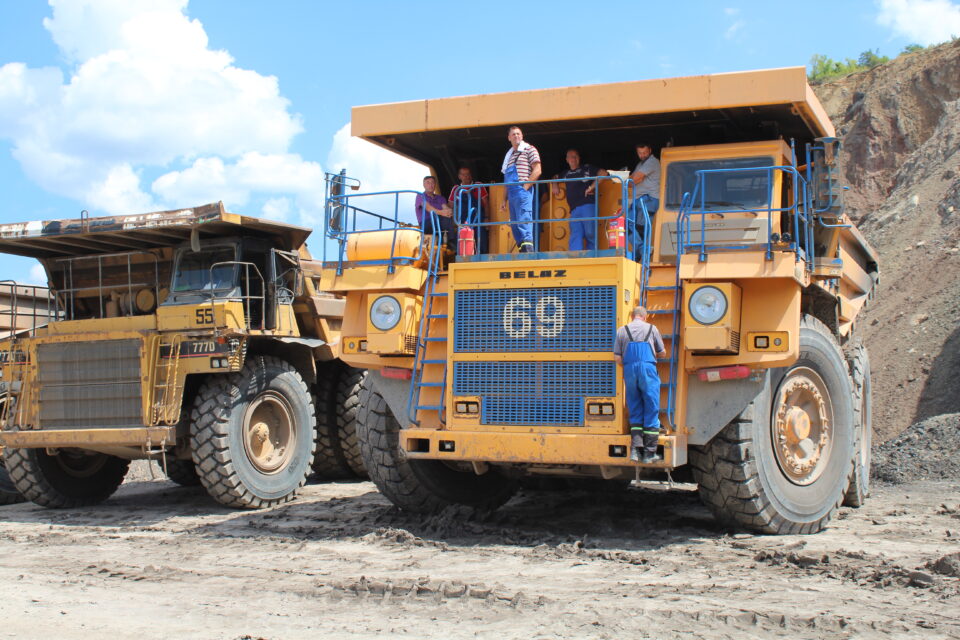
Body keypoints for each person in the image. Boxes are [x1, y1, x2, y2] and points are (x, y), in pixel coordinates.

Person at [613, 305, 667, 463]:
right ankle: (650, 453)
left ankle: (635, 452)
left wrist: (630, 365)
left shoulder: (622, 330)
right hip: (647, 369)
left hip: (629, 370)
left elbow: (617, 357)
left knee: (635, 407)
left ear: (632, 316)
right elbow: (662, 352)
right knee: (651, 406)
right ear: (645, 316)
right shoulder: (652, 328)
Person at [552, 149, 609, 251]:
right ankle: (575, 257)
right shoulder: (566, 173)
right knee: (575, 234)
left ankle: (593, 256)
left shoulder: (587, 168)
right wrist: (555, 184)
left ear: (579, 158)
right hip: (574, 209)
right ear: (567, 160)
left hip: (588, 205)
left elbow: (604, 173)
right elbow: (554, 177)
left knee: (590, 233)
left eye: (575, 156)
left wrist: (592, 187)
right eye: (570, 157)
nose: (573, 159)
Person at [500, 126, 541, 253]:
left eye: (518, 134)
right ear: (509, 138)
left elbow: (537, 170)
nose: (516, 136)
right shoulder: (509, 156)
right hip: (511, 194)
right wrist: (504, 199)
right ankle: (522, 251)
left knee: (524, 221)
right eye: (513, 134)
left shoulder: (529, 149)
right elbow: (507, 180)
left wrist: (525, 187)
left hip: (522, 191)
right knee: (515, 226)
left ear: (522, 136)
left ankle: (528, 253)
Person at [629, 143, 661, 261]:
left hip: (648, 199)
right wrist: (631, 179)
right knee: (628, 226)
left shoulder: (652, 162)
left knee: (640, 228)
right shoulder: (640, 164)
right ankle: (641, 251)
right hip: (639, 199)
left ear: (650, 150)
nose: (642, 155)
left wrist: (627, 180)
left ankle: (641, 252)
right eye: (640, 153)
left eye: (645, 152)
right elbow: (633, 178)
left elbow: (634, 179)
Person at [448, 166, 489, 253]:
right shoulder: (456, 189)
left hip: (478, 218)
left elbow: (486, 203)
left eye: (467, 174)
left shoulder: (478, 185)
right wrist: (451, 221)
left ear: (471, 175)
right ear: (459, 176)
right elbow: (450, 205)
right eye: (463, 174)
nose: (466, 176)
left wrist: (487, 218)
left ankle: (482, 255)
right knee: (464, 241)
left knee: (481, 239)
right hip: (463, 220)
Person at [415, 176, 455, 251]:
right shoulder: (420, 196)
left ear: (435, 184)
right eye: (428, 183)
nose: (431, 185)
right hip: (427, 223)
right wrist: (441, 213)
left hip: (439, 221)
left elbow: (445, 208)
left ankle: (448, 245)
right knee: (444, 220)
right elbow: (429, 208)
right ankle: (451, 243)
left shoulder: (440, 198)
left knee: (447, 219)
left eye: (432, 183)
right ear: (424, 185)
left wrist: (448, 212)